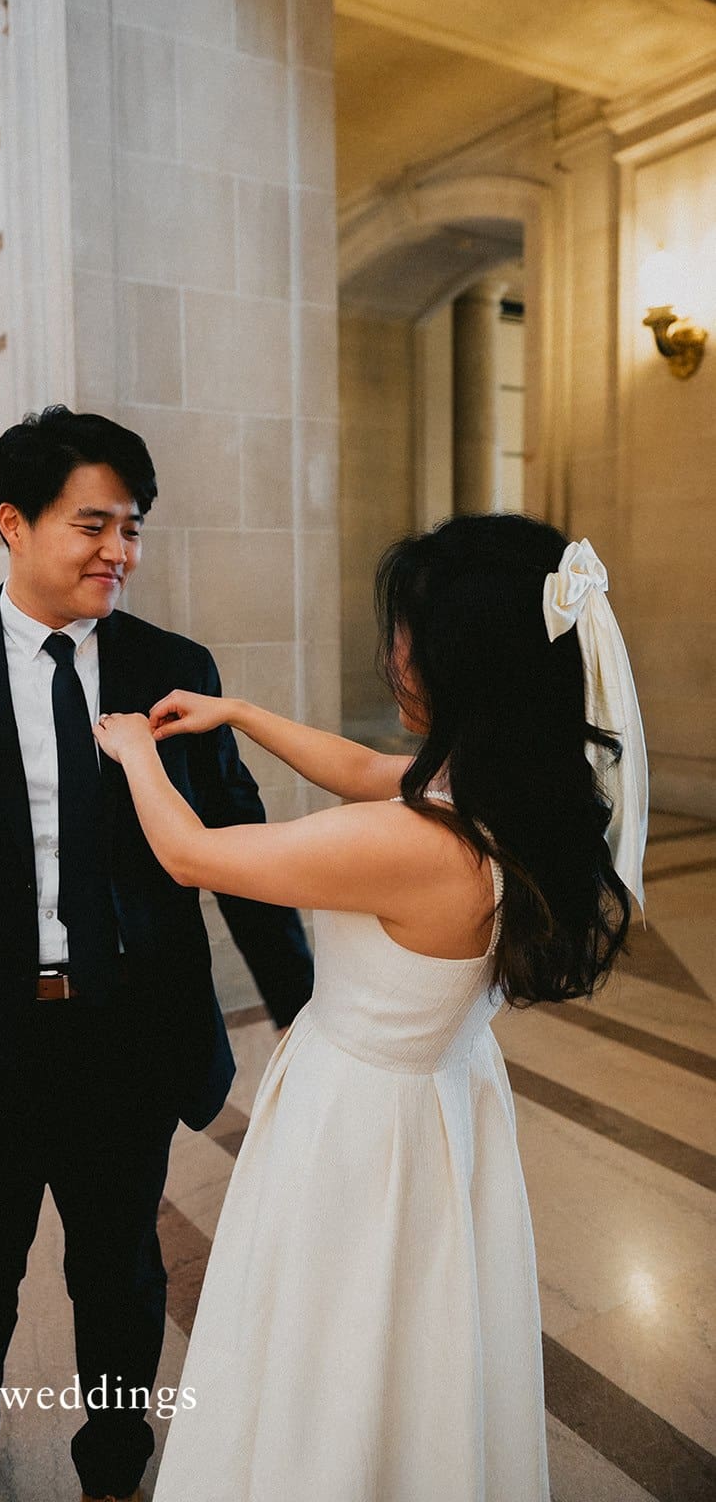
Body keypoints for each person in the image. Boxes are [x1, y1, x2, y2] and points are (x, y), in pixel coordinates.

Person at [93, 515, 645, 1501]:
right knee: (409, 1338)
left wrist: (134, 749)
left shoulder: (419, 845)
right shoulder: (504, 786)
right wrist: (243, 713)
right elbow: (360, 768)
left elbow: (193, 856)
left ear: (465, 658)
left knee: (329, 1347)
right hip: (436, 1100)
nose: (392, 649)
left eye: (409, 631)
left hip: (360, 1122)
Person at [0, 406, 313, 1502]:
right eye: (92, 524)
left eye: (133, 528)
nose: (120, 552)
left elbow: (237, 846)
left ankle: (114, 1471)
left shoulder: (171, 668)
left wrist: (307, 1006)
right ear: (13, 522)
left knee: (120, 1272)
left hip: (126, 1036)